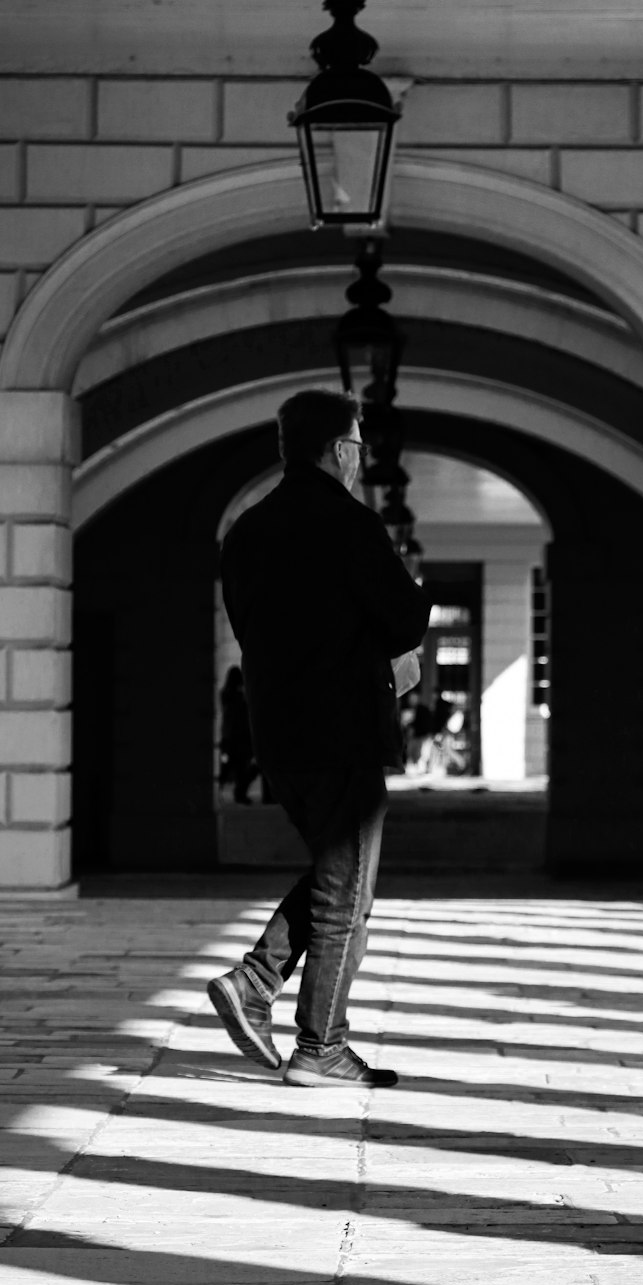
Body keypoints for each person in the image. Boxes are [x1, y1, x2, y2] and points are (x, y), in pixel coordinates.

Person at [207, 389, 431, 1087]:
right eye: (359, 446)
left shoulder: (244, 532)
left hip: (279, 735)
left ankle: (256, 983)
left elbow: (258, 636)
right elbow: (403, 620)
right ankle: (319, 1046)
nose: (362, 461)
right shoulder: (348, 523)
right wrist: (397, 658)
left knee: (341, 880)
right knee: (347, 892)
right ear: (339, 450)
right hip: (344, 734)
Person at [218, 664, 257, 804]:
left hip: (229, 737)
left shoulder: (226, 696)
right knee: (242, 767)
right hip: (242, 738)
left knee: (227, 767)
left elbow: (228, 719)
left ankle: (221, 790)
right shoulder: (239, 698)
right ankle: (240, 793)